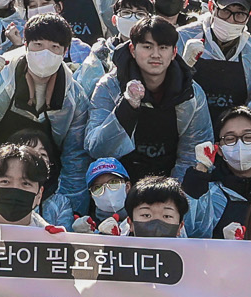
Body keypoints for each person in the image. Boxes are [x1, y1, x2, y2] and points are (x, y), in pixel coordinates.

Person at [0, 13, 90, 207]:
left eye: (54, 47)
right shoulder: (0, 73)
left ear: (65, 51)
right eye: (38, 45)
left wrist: (67, 207)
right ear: (25, 44)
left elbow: (74, 158)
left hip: (42, 182)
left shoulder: (74, 96)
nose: (46, 53)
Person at [87, 18, 213, 182]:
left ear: (174, 52)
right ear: (132, 49)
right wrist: (128, 106)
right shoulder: (108, 87)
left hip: (170, 188)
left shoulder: (191, 93)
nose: (155, 54)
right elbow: (97, 149)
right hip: (117, 185)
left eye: (163, 48)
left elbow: (193, 155)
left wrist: (173, 197)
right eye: (147, 47)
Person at [179, 0, 251, 127]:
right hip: (186, 130)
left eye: (240, 14)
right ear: (211, 6)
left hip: (232, 139)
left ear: (250, 14)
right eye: (225, 11)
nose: (231, 20)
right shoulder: (182, 38)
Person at [182, 106, 251, 237]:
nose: (240, 144)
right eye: (230, 139)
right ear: (220, 150)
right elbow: (188, 233)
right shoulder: (209, 195)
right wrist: (200, 171)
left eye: (248, 137)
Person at [0, 140, 65, 231]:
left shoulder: (48, 239)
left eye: (25, 183)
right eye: (5, 181)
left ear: (39, 195)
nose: (15, 189)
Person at [120, 175, 188, 239]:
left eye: (167, 216)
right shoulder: (117, 249)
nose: (156, 224)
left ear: (180, 227)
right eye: (146, 215)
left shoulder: (189, 251)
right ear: (130, 223)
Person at [75, 156, 131, 233]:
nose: (108, 191)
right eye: (97, 188)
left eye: (113, 183)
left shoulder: (142, 217)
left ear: (127, 187)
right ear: (92, 196)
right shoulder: (89, 226)